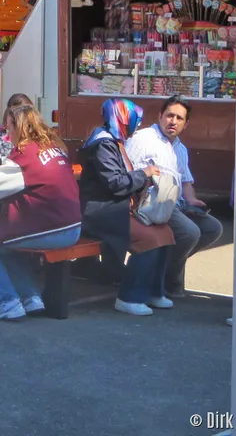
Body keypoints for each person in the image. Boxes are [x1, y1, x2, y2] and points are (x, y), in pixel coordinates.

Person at [0, 105, 83, 320]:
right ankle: (30, 297)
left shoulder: (25, 154)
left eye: (9, 127)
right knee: (5, 241)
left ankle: (4, 302)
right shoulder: (53, 147)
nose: (7, 133)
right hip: (72, 227)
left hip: (51, 230)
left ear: (19, 127)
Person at [79, 97, 175, 317]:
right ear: (122, 118)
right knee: (149, 240)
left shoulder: (114, 140)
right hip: (101, 211)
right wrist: (144, 174)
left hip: (115, 207)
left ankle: (153, 291)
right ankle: (129, 297)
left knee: (166, 233)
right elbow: (115, 182)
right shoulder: (103, 144)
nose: (136, 125)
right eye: (134, 120)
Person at [124, 95, 223, 298]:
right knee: (189, 233)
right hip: (151, 203)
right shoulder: (143, 138)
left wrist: (192, 201)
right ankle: (166, 281)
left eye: (179, 118)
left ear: (186, 124)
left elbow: (185, 182)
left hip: (176, 204)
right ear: (160, 116)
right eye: (169, 115)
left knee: (213, 228)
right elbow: (127, 172)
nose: (173, 121)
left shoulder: (180, 148)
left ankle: (162, 274)